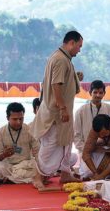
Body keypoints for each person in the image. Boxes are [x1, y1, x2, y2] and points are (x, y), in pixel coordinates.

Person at [29, 31, 83, 184]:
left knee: (66, 143)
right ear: (71, 43)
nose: (79, 50)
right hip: (56, 113)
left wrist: (75, 78)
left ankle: (65, 174)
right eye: (79, 46)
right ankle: (38, 176)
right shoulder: (60, 59)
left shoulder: (64, 58)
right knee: (51, 144)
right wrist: (62, 108)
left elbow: (62, 82)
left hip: (62, 112)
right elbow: (55, 85)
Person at [0, 103, 44, 188]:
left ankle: (11, 179)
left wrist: (41, 167)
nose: (18, 122)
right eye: (15, 119)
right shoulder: (0, 133)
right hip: (8, 166)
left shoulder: (29, 130)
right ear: (7, 118)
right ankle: (23, 179)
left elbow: (37, 152)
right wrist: (3, 154)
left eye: (21, 119)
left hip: (25, 165)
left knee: (42, 166)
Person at [74, 80, 110, 177]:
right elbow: (76, 136)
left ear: (104, 93)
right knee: (87, 173)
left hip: (103, 150)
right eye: (95, 92)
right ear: (90, 93)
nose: (98, 95)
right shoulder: (81, 111)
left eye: (101, 93)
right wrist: (86, 148)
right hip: (86, 150)